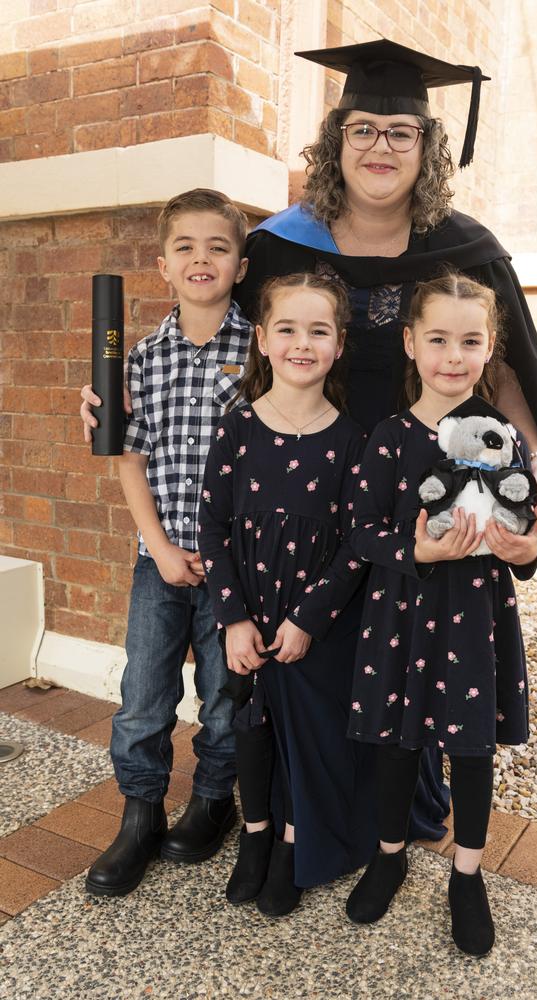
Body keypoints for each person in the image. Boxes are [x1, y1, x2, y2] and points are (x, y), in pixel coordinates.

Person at [80, 39, 537, 841]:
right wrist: (120, 394)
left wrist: (536, 454)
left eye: (401, 132)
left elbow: (507, 366)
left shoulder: (465, 250)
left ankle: (388, 823)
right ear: (336, 142)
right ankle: (301, 816)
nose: (381, 146)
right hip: (299, 489)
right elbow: (214, 328)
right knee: (307, 655)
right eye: (363, 129)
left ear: (429, 148)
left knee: (403, 652)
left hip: (416, 493)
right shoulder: (280, 242)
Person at [343, 272, 537, 956]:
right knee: (399, 742)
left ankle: (467, 874)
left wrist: (527, 549)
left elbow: (522, 538)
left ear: (489, 349)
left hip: (475, 617)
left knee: (469, 747)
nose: (453, 356)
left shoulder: (503, 440)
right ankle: (391, 853)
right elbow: (361, 531)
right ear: (409, 343)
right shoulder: (391, 439)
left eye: (470, 341)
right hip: (402, 610)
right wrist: (417, 550)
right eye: (437, 339)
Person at [85, 189, 252, 896]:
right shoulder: (139, 358)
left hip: (236, 567)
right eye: (185, 246)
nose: (201, 258)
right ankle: (140, 812)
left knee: (224, 697)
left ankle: (213, 801)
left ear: (241, 265)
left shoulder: (263, 350)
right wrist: (156, 544)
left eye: (218, 246)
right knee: (144, 694)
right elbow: (130, 460)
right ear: (162, 265)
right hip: (159, 557)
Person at [198, 272, 374, 915]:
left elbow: (358, 543)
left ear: (338, 344)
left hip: (313, 625)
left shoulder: (353, 440)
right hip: (250, 612)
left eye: (318, 330)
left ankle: (294, 847)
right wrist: (232, 617)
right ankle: (255, 836)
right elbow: (211, 525)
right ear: (264, 341)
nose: (303, 343)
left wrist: (307, 621)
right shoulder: (237, 427)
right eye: (288, 329)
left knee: (305, 734)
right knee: (250, 724)